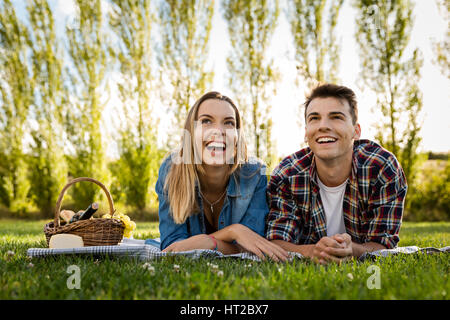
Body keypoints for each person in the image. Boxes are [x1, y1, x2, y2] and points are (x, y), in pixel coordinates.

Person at [265, 84, 407, 264]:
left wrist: (351, 250)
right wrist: (313, 251)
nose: (323, 126)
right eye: (314, 118)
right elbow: (277, 242)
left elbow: (383, 244)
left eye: (336, 117)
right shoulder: (287, 174)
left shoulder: (382, 168)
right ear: (306, 132)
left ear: (356, 131)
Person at [157, 91, 288, 262]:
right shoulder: (172, 171)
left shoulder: (255, 174)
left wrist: (207, 242)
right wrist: (233, 232)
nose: (218, 131)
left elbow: (252, 244)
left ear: (237, 136)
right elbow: (172, 246)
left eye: (228, 123)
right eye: (206, 121)